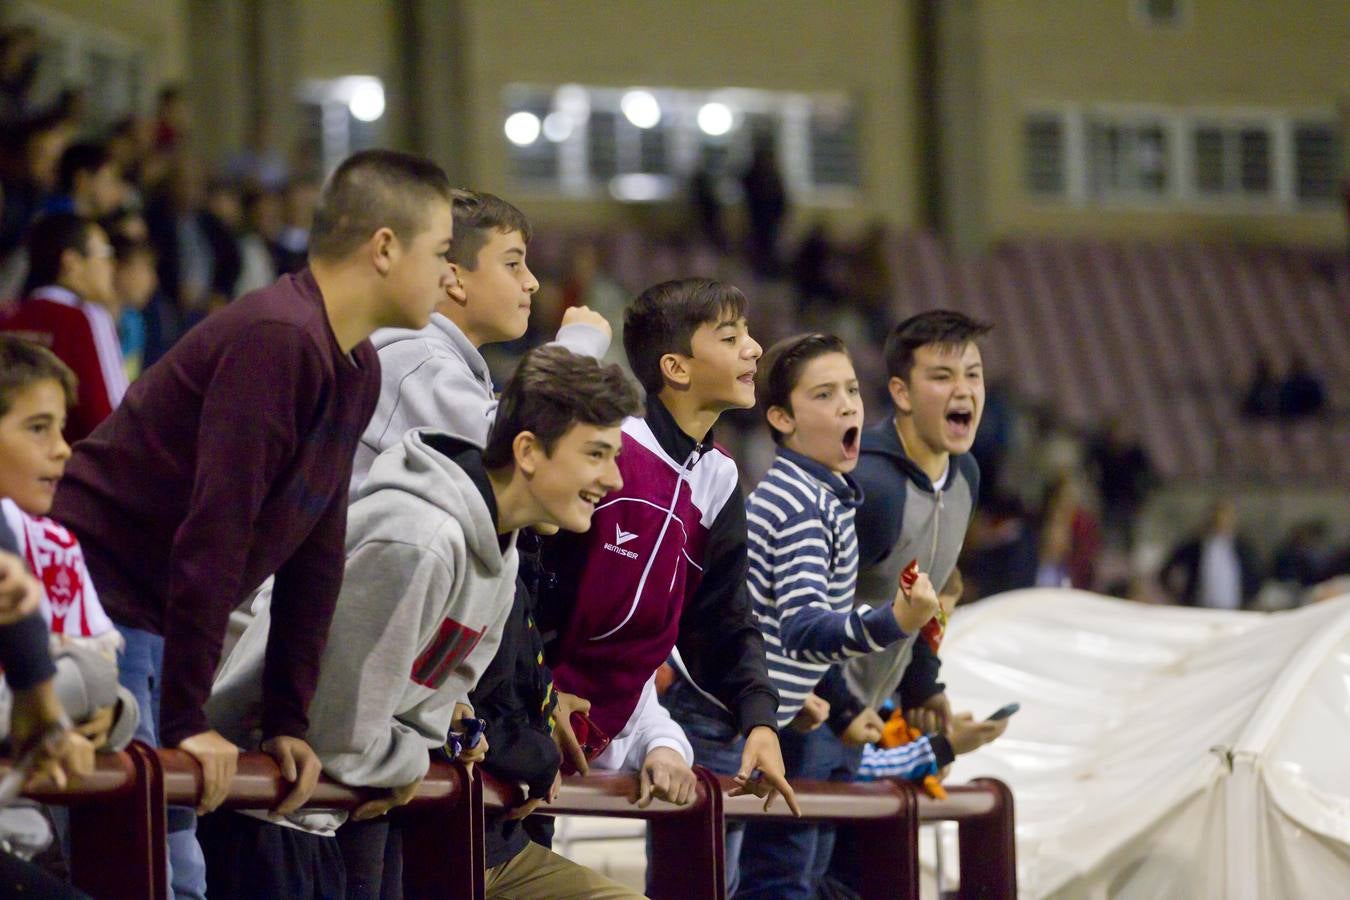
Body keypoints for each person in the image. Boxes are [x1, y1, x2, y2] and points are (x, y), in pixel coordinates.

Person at [50, 149, 456, 899]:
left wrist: (286, 723)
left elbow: (315, 554)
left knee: (171, 867)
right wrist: (185, 723)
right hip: (101, 602)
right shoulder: (279, 338)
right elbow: (215, 533)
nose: (448, 275)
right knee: (156, 868)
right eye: (440, 252)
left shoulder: (355, 365)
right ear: (385, 247)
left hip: (153, 615)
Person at [204, 346, 643, 899]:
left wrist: (430, 745)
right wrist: (413, 761)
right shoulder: (423, 538)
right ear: (528, 451)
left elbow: (439, 704)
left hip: (328, 816)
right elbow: (336, 728)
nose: (615, 479)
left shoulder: (499, 552)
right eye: (597, 455)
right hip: (264, 814)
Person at [676, 333, 938, 897]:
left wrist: (795, 696)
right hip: (716, 721)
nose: (848, 405)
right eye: (824, 394)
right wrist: (896, 620)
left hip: (741, 715)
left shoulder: (823, 493)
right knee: (720, 885)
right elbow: (803, 627)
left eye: (851, 390)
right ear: (781, 418)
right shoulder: (800, 504)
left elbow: (771, 619)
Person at [539, 278, 799, 816]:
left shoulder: (719, 479)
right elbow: (525, 582)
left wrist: (759, 720)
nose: (753, 348)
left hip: (586, 747)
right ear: (676, 368)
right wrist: (535, 694)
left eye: (747, 334)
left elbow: (724, 621)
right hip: (513, 726)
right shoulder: (612, 450)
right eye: (730, 338)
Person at [818, 310, 992, 891]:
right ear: (900, 392)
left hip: (870, 722)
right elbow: (795, 613)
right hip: (814, 721)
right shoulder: (871, 486)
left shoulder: (965, 476)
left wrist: (923, 685)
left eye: (973, 374)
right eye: (942, 376)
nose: (963, 390)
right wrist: (839, 707)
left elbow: (928, 595)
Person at [351, 189, 611, 493]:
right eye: (513, 264)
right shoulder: (417, 359)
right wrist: (574, 352)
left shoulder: (434, 356)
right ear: (454, 280)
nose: (532, 282)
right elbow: (507, 452)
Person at [0, 214, 127, 442]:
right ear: (71, 262)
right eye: (106, 253)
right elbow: (113, 420)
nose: (112, 265)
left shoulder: (8, 317)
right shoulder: (86, 318)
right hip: (68, 470)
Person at [1159, 499, 1261, 610]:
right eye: (1217, 518)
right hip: (1200, 608)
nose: (1222, 522)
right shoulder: (1194, 546)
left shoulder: (1243, 549)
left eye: (1226, 518)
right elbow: (1167, 571)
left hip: (1233, 610)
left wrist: (1248, 599)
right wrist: (1179, 597)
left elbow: (1257, 575)